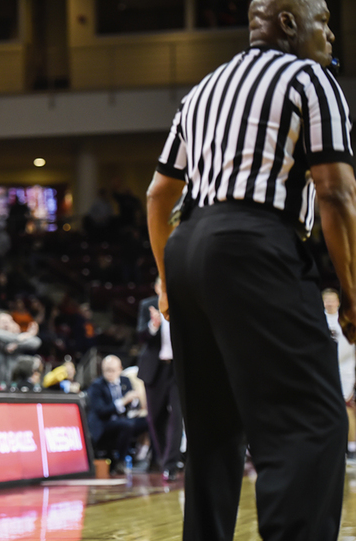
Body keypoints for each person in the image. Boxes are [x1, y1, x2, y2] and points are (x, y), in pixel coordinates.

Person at [146, 1, 353, 538]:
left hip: (189, 249)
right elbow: (335, 192)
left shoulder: (203, 90)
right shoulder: (310, 78)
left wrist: (168, 283)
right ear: (288, 23)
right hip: (254, 242)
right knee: (312, 426)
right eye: (323, 20)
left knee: (213, 435)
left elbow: (158, 194)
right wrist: (352, 294)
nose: (331, 33)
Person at [136, 277, 182, 482]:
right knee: (155, 418)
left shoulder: (181, 304)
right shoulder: (147, 305)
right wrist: (153, 326)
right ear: (155, 287)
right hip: (155, 370)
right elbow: (140, 336)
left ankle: (171, 464)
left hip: (178, 369)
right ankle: (166, 460)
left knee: (177, 415)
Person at [86, 355, 147, 474]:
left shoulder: (125, 380)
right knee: (126, 425)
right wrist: (124, 401)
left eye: (112, 370)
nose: (109, 373)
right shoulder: (96, 386)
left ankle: (153, 461)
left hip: (123, 420)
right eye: (106, 370)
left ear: (120, 369)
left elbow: (131, 405)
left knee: (149, 422)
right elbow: (102, 411)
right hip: (104, 425)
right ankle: (120, 462)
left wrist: (134, 400)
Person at [322, 288, 356, 458]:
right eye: (325, 299)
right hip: (322, 370)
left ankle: (351, 448)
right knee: (322, 409)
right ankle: (328, 446)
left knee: (347, 408)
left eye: (331, 299)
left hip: (345, 370)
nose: (329, 302)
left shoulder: (346, 318)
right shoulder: (318, 319)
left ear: (338, 302)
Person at [0, 311, 41, 389]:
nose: (7, 324)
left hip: (8, 384)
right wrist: (27, 335)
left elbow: (36, 342)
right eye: (4, 322)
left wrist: (16, 344)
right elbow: (2, 336)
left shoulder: (15, 341)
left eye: (10, 321)